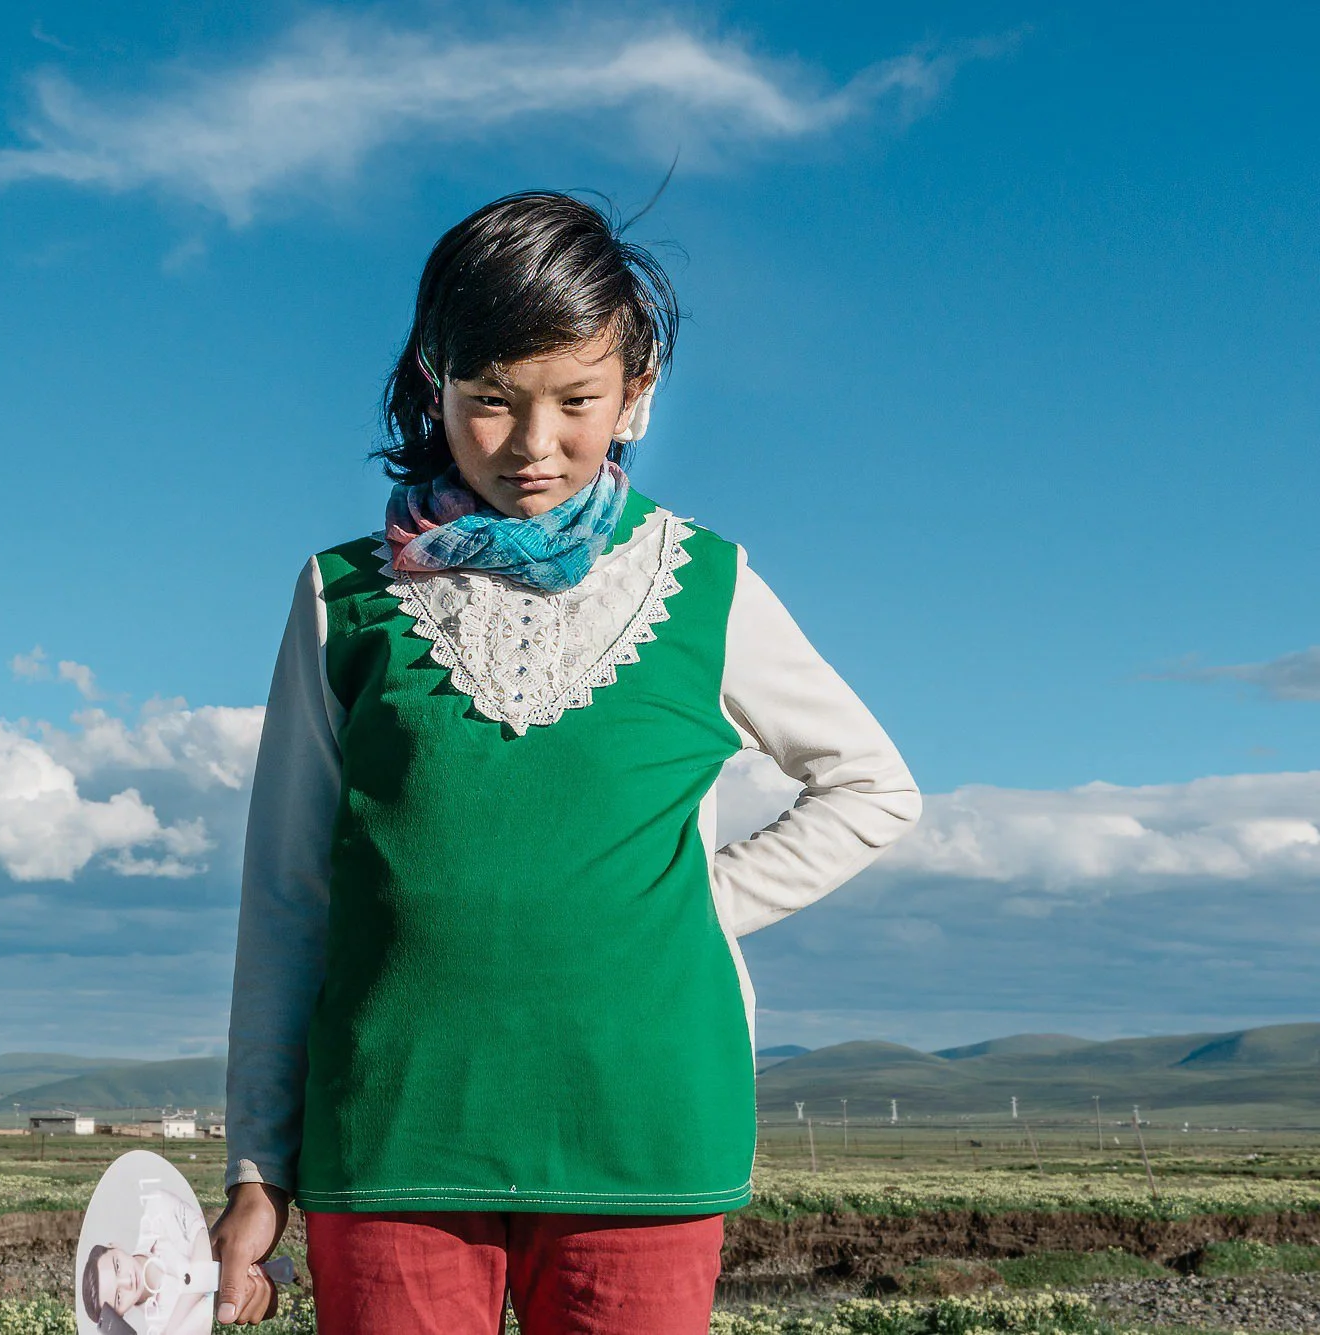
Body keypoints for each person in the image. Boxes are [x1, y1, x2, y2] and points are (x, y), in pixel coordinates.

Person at [207, 190, 922, 1335]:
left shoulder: (705, 585)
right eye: (489, 403)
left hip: (642, 1124)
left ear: (635, 397)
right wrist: (257, 1167)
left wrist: (693, 904)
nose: (533, 447)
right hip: (390, 1127)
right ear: (432, 382)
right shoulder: (342, 597)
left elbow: (870, 787)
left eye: (575, 402)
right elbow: (288, 892)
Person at [81, 1182, 215, 1334]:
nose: (128, 1281)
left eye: (117, 1266)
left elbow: (204, 1239)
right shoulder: (156, 1328)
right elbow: (208, 1318)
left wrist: (172, 1327)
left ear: (114, 1246)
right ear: (119, 1315)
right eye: (119, 1297)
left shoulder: (156, 1211)